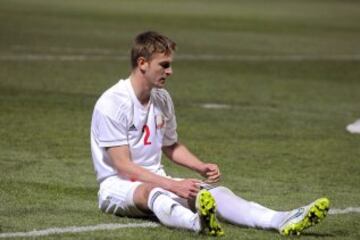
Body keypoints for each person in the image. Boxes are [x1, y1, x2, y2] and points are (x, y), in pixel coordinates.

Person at [90, 31, 330, 236]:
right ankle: (198, 224)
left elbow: (171, 145)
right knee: (154, 192)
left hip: (156, 178)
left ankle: (282, 219)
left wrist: (200, 167)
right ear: (142, 63)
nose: (170, 71)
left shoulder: (161, 99)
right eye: (164, 65)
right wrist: (173, 186)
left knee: (215, 193)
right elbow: (123, 166)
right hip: (118, 187)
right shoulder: (113, 102)